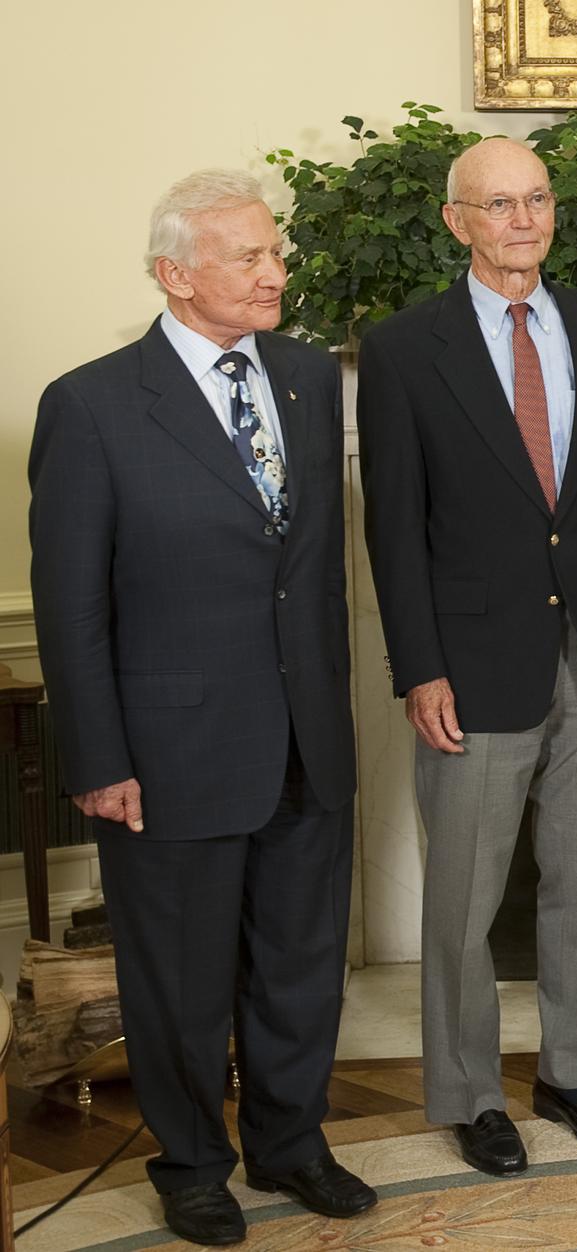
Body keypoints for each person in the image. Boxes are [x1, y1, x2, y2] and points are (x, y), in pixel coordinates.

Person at [28, 169, 374, 1247]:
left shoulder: (312, 379)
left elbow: (311, 576)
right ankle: (191, 1164)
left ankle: (291, 1142)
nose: (277, 272)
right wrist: (96, 756)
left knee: (301, 965)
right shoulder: (89, 404)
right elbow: (70, 602)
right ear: (177, 274)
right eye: (250, 257)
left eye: (277, 253)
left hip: (307, 740)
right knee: (177, 981)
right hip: (168, 752)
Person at [356, 137, 577, 1177]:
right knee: (466, 898)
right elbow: (392, 530)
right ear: (458, 222)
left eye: (535, 199)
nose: (521, 220)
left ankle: (575, 1072)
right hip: (471, 666)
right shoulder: (403, 349)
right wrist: (417, 666)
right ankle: (469, 1091)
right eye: (497, 204)